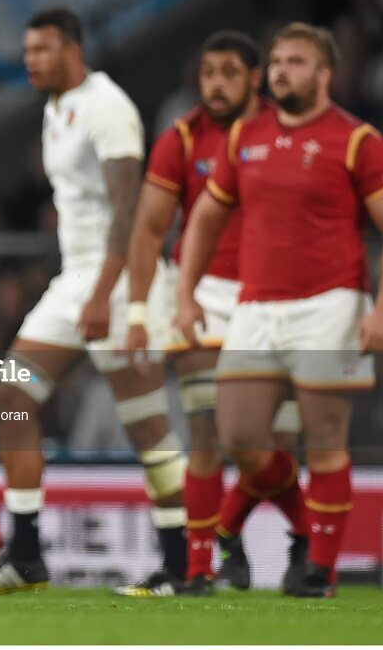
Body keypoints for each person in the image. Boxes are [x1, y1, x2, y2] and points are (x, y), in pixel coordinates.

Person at [176, 22, 383, 597]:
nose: (282, 70)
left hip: (330, 303)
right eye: (278, 61)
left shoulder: (358, 140)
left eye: (297, 62)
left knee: (324, 442)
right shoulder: (245, 137)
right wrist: (185, 293)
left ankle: (320, 571)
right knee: (240, 439)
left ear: (324, 74)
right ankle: (296, 529)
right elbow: (206, 217)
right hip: (255, 305)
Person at [0, 8, 185, 596]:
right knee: (10, 397)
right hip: (75, 280)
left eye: (42, 49)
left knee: (146, 425)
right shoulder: (53, 109)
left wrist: (105, 293)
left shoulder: (108, 107)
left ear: (73, 50)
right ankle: (25, 554)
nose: (31, 60)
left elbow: (131, 209)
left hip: (118, 281)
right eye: (27, 50)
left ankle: (181, 566)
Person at [125, 31, 304, 595]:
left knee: (268, 448)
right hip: (204, 298)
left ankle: (238, 534)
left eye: (229, 72)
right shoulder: (180, 140)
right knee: (205, 434)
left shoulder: (291, 132)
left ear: (255, 78)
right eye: (208, 73)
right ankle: (201, 569)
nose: (217, 84)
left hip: (282, 297)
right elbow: (150, 228)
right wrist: (137, 309)